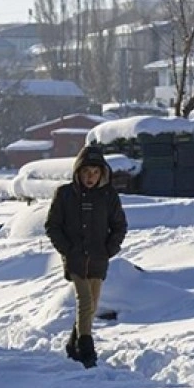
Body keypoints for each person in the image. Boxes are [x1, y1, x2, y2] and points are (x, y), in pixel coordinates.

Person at [45, 144, 127, 367]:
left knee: (92, 304)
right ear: (78, 172)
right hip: (75, 259)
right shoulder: (64, 194)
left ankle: (73, 344)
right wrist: (67, 249)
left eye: (95, 172)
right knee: (85, 301)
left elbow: (119, 226)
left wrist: (109, 249)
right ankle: (86, 348)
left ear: (102, 173)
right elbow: (53, 225)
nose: (90, 177)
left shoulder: (108, 196)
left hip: (99, 258)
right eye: (86, 172)